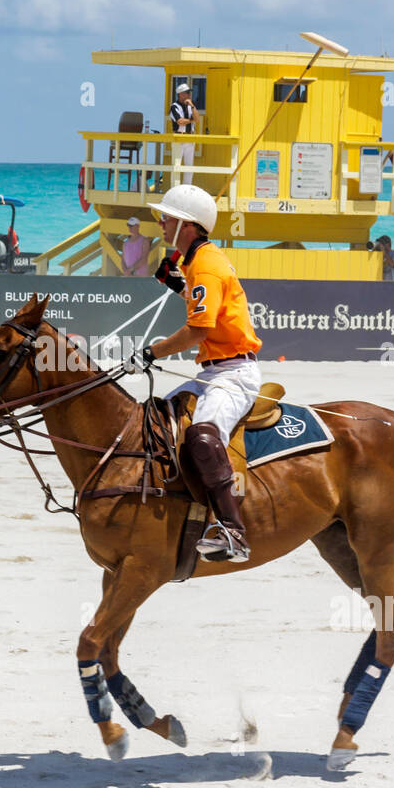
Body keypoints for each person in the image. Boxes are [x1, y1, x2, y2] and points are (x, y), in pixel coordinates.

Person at [124, 184, 262, 563]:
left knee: (202, 437)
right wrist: (177, 284)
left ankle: (233, 531)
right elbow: (201, 303)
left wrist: (152, 352)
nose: (160, 222)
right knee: (150, 424)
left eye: (166, 217)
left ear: (187, 224)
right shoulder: (196, 262)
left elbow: (199, 331)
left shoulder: (208, 265)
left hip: (234, 373)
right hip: (211, 373)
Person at [169, 83, 201, 186]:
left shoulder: (190, 106)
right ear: (181, 94)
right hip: (179, 137)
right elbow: (180, 121)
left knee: (189, 166)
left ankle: (187, 186)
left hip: (190, 137)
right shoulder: (174, 107)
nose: (189, 95)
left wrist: (192, 106)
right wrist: (191, 120)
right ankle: (175, 187)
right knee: (176, 165)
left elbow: (197, 119)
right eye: (187, 93)